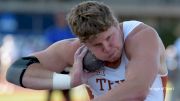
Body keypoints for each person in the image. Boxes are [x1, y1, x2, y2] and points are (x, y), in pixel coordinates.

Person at [6, 1, 168, 101]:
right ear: (84, 43)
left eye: (109, 37)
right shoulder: (75, 50)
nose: (107, 48)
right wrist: (69, 81)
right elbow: (16, 71)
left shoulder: (141, 37)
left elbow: (138, 90)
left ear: (116, 24)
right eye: (97, 45)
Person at [44, 12, 75, 101]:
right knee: (50, 91)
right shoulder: (51, 32)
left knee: (66, 92)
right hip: (54, 66)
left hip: (65, 66)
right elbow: (47, 47)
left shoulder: (69, 32)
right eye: (59, 18)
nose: (61, 20)